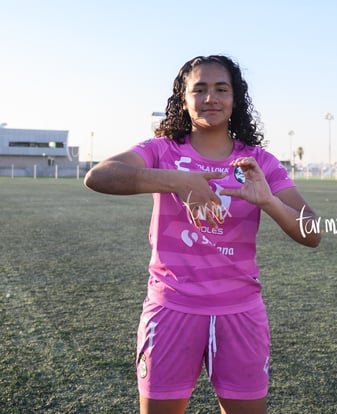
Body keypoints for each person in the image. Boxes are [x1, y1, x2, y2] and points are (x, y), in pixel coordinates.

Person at [84, 54, 321, 414]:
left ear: (235, 98)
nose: (211, 98)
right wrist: (177, 180)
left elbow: (313, 232)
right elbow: (99, 176)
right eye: (200, 89)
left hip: (240, 313)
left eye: (221, 89)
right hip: (171, 310)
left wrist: (269, 202)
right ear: (184, 98)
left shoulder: (259, 163)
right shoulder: (161, 151)